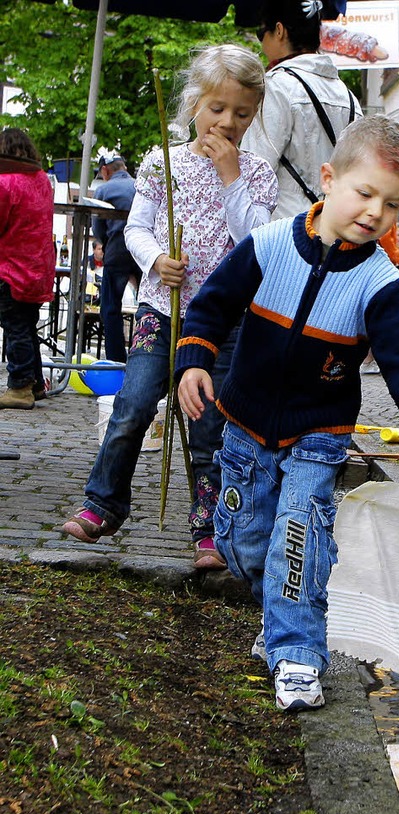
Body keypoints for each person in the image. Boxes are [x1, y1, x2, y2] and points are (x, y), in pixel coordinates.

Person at [176, 114, 399, 712]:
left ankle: (298, 655)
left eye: (392, 206)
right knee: (244, 541)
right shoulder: (268, 244)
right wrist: (193, 361)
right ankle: (278, 616)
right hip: (245, 427)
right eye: (365, 193)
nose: (375, 214)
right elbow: (210, 305)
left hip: (318, 435)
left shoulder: (379, 282)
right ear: (328, 179)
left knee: (298, 540)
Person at [61, 44, 278, 568]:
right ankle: (104, 502)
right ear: (193, 107)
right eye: (217, 108)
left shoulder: (257, 172)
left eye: (242, 113)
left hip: (224, 322)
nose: (227, 122)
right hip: (161, 309)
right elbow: (135, 227)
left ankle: (209, 527)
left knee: (209, 426)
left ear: (255, 117)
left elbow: (256, 243)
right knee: (134, 405)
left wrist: (231, 179)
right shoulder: (163, 159)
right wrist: (157, 260)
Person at [242, 0, 362, 221]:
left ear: (279, 31)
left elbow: (253, 170)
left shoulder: (276, 87)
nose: (261, 43)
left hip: (285, 236)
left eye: (261, 33)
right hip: (335, 233)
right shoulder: (349, 98)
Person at [0, 128, 55, 409]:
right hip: (38, 267)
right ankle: (34, 383)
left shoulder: (6, 181)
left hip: (12, 266)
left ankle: (20, 386)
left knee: (16, 326)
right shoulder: (41, 179)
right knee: (27, 325)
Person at [92, 152, 141, 363]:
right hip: (143, 250)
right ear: (125, 167)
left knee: (110, 308)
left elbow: (98, 226)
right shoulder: (140, 185)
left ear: (105, 170)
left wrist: (103, 243)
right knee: (149, 306)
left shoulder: (103, 189)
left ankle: (116, 361)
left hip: (117, 249)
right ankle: (143, 357)